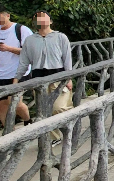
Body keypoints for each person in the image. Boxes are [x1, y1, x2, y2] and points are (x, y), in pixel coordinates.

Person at [16, 11, 74, 143]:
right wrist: (17, 78)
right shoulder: (30, 40)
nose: (41, 20)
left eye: (44, 17)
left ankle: (69, 123)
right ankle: (55, 137)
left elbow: (67, 59)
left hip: (58, 76)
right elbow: (24, 61)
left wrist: (69, 78)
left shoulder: (60, 37)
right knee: (43, 110)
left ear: (50, 21)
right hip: (38, 78)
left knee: (58, 108)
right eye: (38, 18)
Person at [0, 4, 33, 126]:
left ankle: (27, 120)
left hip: (18, 72)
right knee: (2, 105)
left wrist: (8, 48)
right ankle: (9, 134)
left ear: (7, 15)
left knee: (14, 101)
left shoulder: (21, 30)